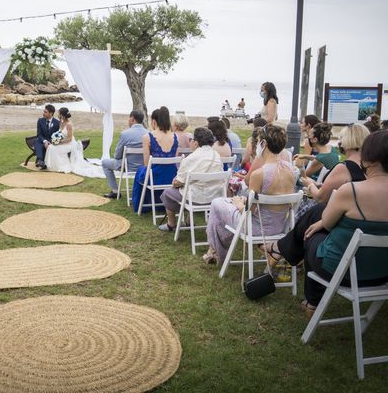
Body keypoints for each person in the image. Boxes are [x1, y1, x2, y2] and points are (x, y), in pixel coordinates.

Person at [265, 130, 388, 316]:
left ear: (369, 157)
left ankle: (312, 301)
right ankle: (279, 248)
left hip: (344, 273)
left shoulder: (351, 191)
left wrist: (323, 223)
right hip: (382, 275)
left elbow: (329, 224)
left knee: (313, 234)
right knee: (318, 216)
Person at [204, 125, 295, 264]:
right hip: (280, 226)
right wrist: (246, 200)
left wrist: (239, 203)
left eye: (258, 141)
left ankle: (215, 252)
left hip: (256, 228)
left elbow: (248, 212)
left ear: (263, 144)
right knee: (225, 207)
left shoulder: (259, 174)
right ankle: (214, 251)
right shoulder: (290, 169)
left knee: (217, 204)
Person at [158, 127, 224, 232]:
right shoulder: (216, 155)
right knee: (191, 187)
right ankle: (188, 222)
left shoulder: (191, 158)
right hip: (214, 197)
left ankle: (171, 224)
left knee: (168, 193)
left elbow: (177, 182)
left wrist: (176, 182)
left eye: (191, 140)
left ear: (196, 143)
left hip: (195, 198)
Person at [299, 124, 369, 204]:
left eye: (341, 138)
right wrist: (319, 185)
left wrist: (310, 184)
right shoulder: (370, 165)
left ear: (347, 140)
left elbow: (320, 198)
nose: (339, 142)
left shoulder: (344, 168)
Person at [131, 107, 179, 212]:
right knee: (147, 171)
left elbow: (146, 163)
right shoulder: (175, 136)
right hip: (172, 177)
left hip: (155, 178)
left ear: (153, 121)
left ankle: (141, 204)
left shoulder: (147, 137)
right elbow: (175, 159)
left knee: (141, 170)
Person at [44, 107, 105, 178]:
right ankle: (53, 165)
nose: (58, 115)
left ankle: (63, 166)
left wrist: (58, 142)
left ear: (62, 115)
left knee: (56, 149)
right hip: (62, 141)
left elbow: (69, 139)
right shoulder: (61, 122)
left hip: (69, 144)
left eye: (59, 114)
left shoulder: (69, 124)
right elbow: (60, 133)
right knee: (51, 147)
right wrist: (55, 139)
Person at [101, 110, 149, 199]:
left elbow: (117, 156)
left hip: (127, 166)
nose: (128, 120)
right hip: (144, 167)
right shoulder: (149, 133)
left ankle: (115, 191)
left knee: (104, 163)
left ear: (132, 119)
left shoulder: (125, 134)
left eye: (129, 118)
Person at [34, 104, 60, 169]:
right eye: (43, 111)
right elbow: (39, 134)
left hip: (52, 142)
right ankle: (40, 160)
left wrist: (50, 142)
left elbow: (58, 135)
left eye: (45, 112)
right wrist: (45, 141)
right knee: (37, 141)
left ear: (51, 113)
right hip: (42, 140)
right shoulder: (40, 120)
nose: (43, 113)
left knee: (46, 145)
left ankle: (41, 161)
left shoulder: (57, 123)